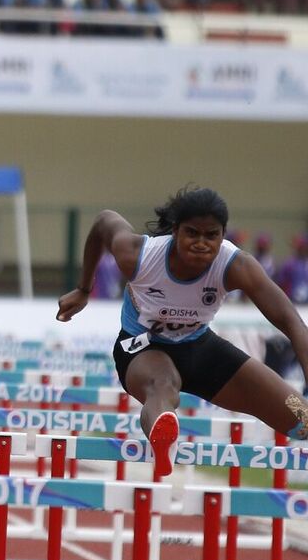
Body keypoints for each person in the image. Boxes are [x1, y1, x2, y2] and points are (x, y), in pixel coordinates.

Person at [59, 189, 308, 479]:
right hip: (142, 346)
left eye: (211, 235)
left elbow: (293, 323)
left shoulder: (236, 265)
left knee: (301, 422)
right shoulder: (139, 255)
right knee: (163, 385)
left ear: (223, 235)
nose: (201, 244)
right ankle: (162, 437)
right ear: (175, 231)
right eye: (192, 233)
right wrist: (84, 289)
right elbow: (104, 222)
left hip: (199, 346)